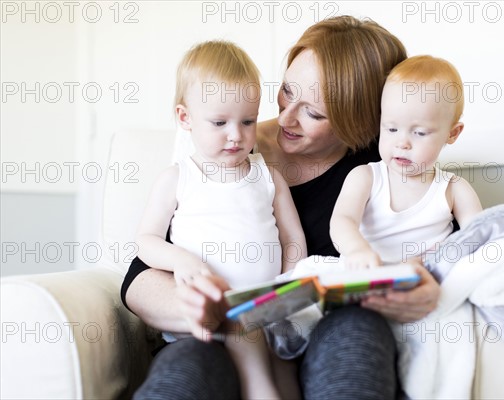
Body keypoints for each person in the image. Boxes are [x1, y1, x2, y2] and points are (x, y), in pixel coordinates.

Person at [122, 16, 442, 399]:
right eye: (288, 91)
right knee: (187, 368)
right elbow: (140, 274)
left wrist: (429, 285)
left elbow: (444, 239)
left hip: (318, 332)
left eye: (314, 113)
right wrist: (208, 310)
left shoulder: (382, 164)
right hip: (213, 332)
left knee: (356, 332)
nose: (287, 117)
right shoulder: (219, 144)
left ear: (361, 122)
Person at [134, 40, 306, 399]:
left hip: (268, 309)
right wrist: (182, 260)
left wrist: (289, 285)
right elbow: (146, 240)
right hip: (207, 314)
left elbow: (292, 239)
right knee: (242, 333)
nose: (236, 135)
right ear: (185, 118)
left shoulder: (267, 177)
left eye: (248, 121)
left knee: (286, 370)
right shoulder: (178, 178)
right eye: (219, 122)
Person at [330, 55, 483, 270]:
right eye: (391, 129)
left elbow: (478, 237)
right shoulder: (365, 177)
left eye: (419, 133)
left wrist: (442, 258)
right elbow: (342, 220)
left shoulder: (453, 188)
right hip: (367, 273)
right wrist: (356, 250)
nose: (402, 143)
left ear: (452, 133)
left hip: (427, 277)